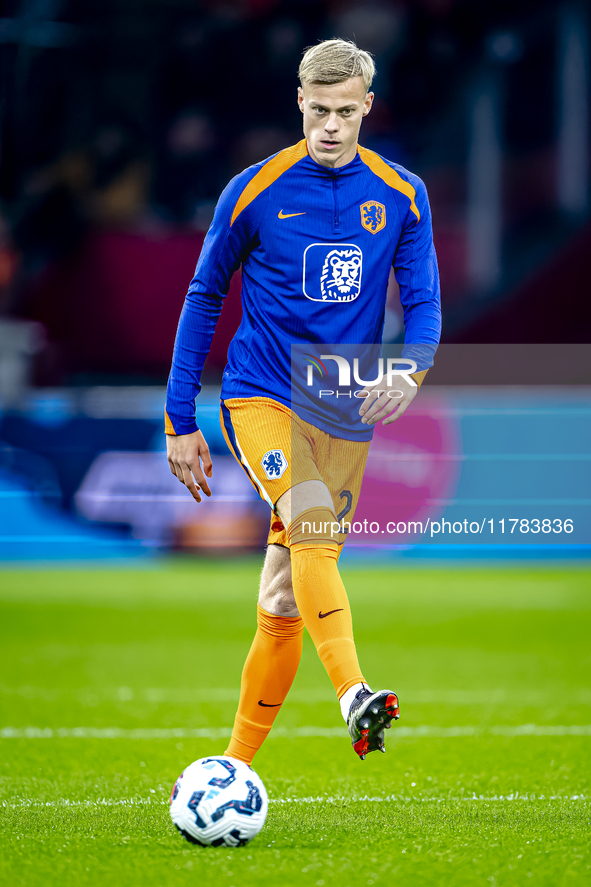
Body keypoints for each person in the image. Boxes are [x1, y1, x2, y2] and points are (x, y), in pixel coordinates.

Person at [165, 39, 441, 765]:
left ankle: (232, 768)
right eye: (317, 110)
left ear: (366, 109)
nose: (329, 125)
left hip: (343, 409)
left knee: (286, 593)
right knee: (311, 520)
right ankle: (353, 691)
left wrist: (407, 371)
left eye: (344, 112)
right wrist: (179, 417)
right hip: (261, 392)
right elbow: (203, 296)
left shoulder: (402, 194)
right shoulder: (253, 190)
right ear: (298, 102)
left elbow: (424, 305)